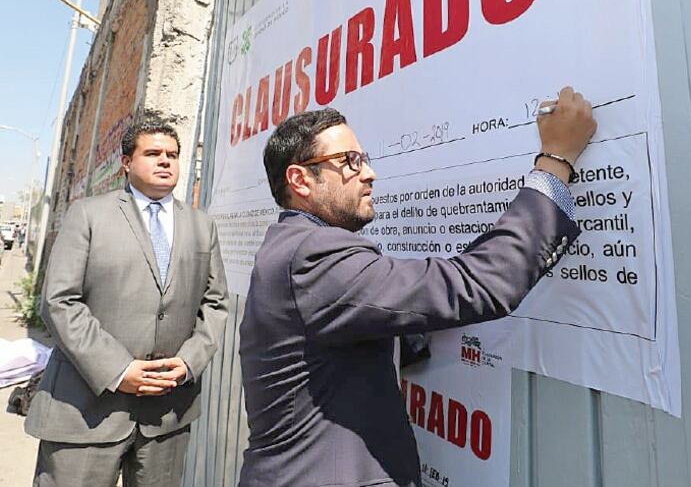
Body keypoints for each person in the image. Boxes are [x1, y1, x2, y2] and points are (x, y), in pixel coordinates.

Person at [238, 87, 596, 487]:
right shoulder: (312, 255)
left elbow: (412, 305)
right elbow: (479, 284)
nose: (369, 173)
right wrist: (556, 161)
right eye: (349, 161)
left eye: (365, 159)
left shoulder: (292, 248)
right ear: (300, 180)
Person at [25, 110, 228, 487]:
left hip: (166, 415)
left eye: (172, 154)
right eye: (152, 153)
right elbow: (59, 301)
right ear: (126, 163)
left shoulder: (202, 226)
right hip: (86, 412)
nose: (165, 160)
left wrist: (187, 364)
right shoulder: (88, 215)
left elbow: (215, 304)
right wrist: (119, 370)